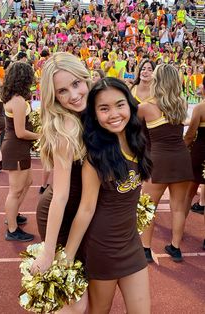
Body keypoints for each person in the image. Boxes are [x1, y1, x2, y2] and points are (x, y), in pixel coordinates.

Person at [64, 77, 152, 314]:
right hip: (103, 247)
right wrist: (67, 256)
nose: (114, 114)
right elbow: (86, 208)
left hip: (131, 243)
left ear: (130, 105)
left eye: (120, 105)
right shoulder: (95, 157)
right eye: (104, 108)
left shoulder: (138, 141)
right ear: (94, 115)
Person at [31, 52, 92, 313]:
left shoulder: (93, 109)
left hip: (81, 211)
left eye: (76, 84)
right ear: (54, 97)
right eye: (62, 91)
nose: (74, 95)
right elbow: (60, 195)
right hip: (62, 212)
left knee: (75, 293)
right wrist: (47, 252)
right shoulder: (66, 124)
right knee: (72, 299)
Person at [138, 64, 194, 263]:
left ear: (158, 80)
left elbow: (135, 134)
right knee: (178, 207)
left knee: (147, 207)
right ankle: (176, 248)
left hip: (159, 161)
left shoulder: (145, 106)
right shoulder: (181, 103)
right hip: (181, 159)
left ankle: (145, 249)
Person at [2, 62, 40, 242]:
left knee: (29, 181)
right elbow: (20, 132)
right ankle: (12, 229)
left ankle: (13, 214)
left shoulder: (18, 99)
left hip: (20, 148)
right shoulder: (17, 101)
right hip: (16, 148)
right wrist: (42, 135)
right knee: (15, 190)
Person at [184, 76, 205, 250]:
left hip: (199, 153)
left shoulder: (200, 107)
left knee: (188, 193)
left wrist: (183, 148)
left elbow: (190, 134)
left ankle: (179, 230)